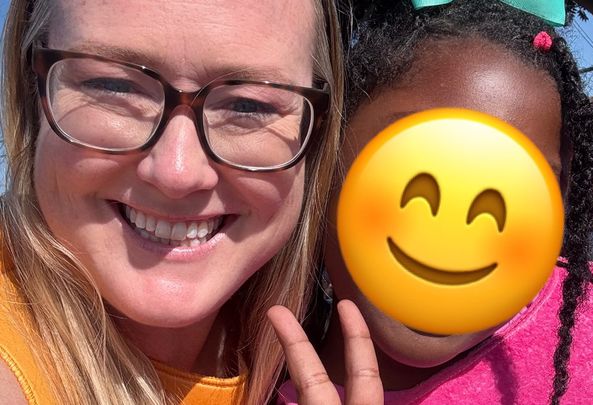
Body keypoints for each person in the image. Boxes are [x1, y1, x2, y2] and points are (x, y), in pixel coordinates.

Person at [277, 1, 593, 403]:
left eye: (522, 188)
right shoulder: (256, 379)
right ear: (326, 150)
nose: (456, 236)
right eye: (414, 162)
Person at [0, 0, 351, 404]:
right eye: (113, 86)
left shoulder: (317, 349)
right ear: (34, 90)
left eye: (248, 105)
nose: (177, 173)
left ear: (315, 133)